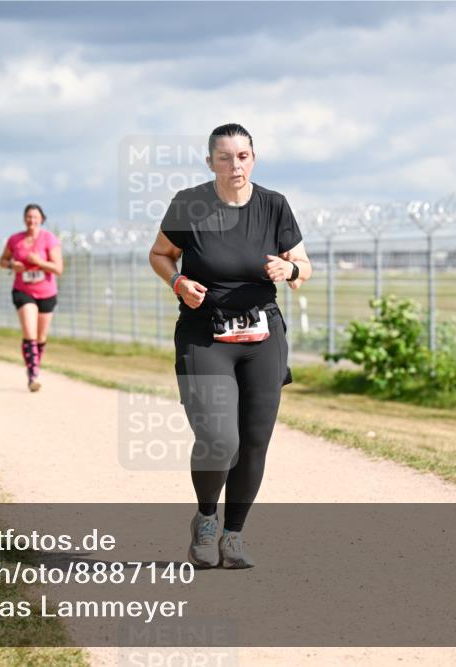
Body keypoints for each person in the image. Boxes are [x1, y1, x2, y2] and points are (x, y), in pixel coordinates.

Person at [148, 123, 311, 569]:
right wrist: (178, 281)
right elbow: (160, 254)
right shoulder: (190, 204)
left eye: (242, 156)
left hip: (262, 338)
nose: (234, 165)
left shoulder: (274, 205)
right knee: (220, 439)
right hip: (206, 336)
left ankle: (233, 535)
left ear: (253, 158)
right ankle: (205, 519)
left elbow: (303, 265)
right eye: (225, 157)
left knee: (254, 441)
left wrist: (290, 271)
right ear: (210, 163)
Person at [0, 203, 63, 392]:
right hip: (23, 290)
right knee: (30, 332)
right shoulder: (15, 240)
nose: (32, 221)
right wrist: (12, 265)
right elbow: (2, 261)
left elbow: (58, 269)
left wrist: (40, 262)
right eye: (28, 217)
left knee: (41, 336)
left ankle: (34, 364)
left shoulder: (49, 239)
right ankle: (33, 374)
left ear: (41, 219)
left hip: (46, 292)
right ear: (24, 219)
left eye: (35, 217)